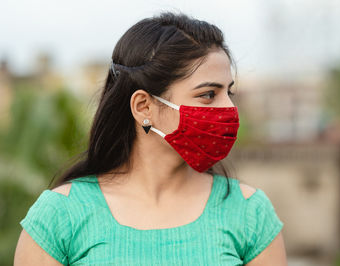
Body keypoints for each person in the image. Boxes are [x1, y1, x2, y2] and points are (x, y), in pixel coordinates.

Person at [14, 11, 287, 265]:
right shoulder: (59, 217)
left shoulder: (250, 213)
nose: (228, 108)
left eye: (230, 93)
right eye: (208, 95)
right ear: (144, 107)